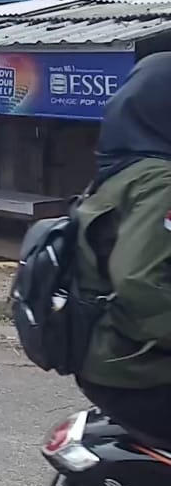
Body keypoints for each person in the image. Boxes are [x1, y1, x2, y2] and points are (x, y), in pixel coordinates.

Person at [72, 52, 171, 444]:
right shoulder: (159, 179)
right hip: (138, 369)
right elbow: (138, 279)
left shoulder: (120, 171)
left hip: (104, 355)